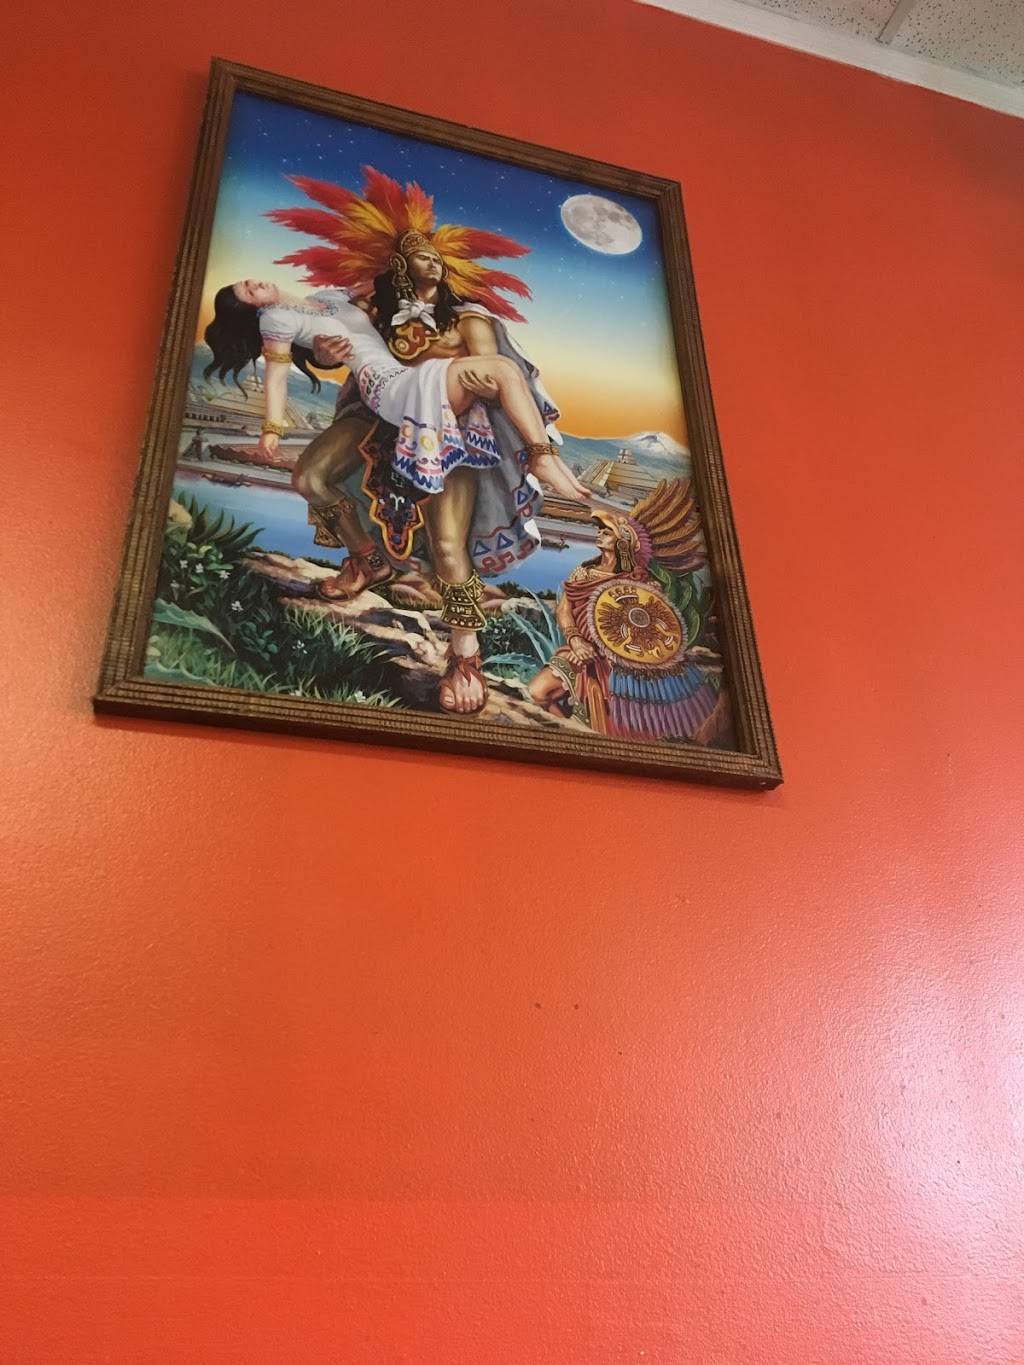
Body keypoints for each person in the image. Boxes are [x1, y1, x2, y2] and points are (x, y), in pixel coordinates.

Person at [528, 479, 723, 741]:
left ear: (622, 543)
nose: (599, 534)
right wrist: (575, 641)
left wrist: (610, 653)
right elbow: (564, 610)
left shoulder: (640, 580)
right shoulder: (583, 572)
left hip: (620, 667)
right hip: (580, 651)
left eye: (607, 532)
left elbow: (648, 630)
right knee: (537, 692)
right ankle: (573, 737)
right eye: (600, 530)